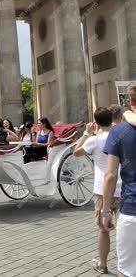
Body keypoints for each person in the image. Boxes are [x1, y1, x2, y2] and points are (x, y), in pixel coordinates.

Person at [73, 108, 122, 274]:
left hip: (102, 190)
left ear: (95, 121)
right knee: (126, 228)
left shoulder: (94, 140)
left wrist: (86, 133)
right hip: (123, 186)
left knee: (103, 229)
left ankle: (103, 264)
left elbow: (76, 152)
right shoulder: (120, 135)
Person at [103, 83, 136, 277]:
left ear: (130, 101)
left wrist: (106, 211)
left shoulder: (118, 132)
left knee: (126, 270)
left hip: (132, 209)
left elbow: (110, 176)